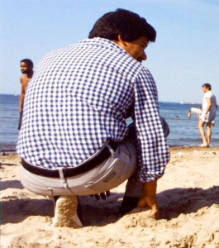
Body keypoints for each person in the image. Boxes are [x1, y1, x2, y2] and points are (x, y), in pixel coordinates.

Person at [16, 9, 167, 227]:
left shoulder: (50, 57)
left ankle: (64, 197)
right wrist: (151, 191)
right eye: (142, 45)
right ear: (122, 38)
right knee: (157, 126)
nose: (144, 55)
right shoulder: (134, 70)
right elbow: (151, 135)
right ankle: (135, 202)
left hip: (33, 176)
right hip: (92, 172)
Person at [198, 83, 217, 147]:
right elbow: (216, 105)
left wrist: (206, 112)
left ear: (207, 88)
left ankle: (204, 142)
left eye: (203, 88)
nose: (203, 89)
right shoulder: (213, 95)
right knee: (208, 127)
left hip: (208, 112)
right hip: (213, 112)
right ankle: (208, 143)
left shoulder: (207, 94)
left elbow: (209, 104)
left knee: (200, 125)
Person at [18, 58, 33, 130]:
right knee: (22, 126)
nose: (22, 68)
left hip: (32, 104)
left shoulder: (35, 77)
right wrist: (21, 107)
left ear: (31, 66)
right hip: (25, 104)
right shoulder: (22, 78)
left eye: (24, 66)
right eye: (21, 66)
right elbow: (23, 93)